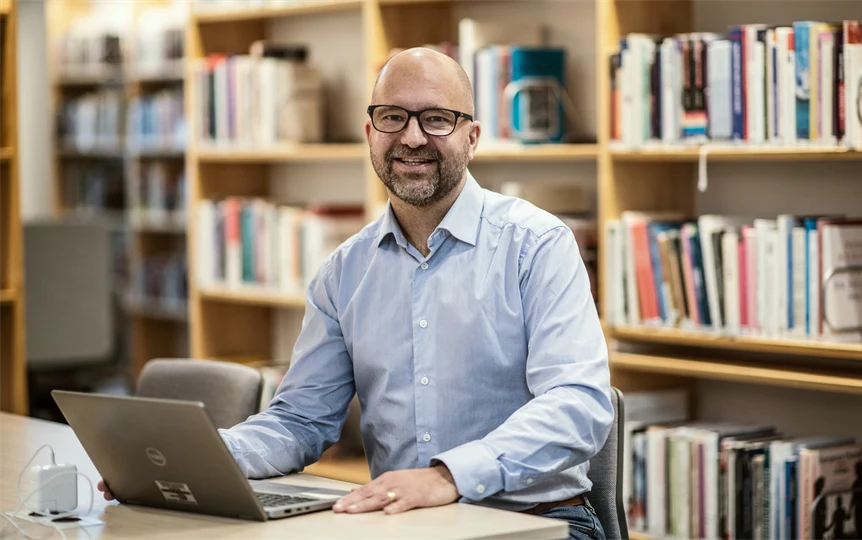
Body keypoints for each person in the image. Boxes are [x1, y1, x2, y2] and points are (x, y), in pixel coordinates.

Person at [99, 47, 613, 539]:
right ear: (370, 133)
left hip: (540, 522)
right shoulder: (343, 272)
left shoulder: (537, 245)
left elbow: (578, 405)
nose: (412, 137)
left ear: (472, 137)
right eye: (393, 118)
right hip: (400, 525)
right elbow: (300, 420)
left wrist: (448, 477)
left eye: (437, 119)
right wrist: (197, 459)